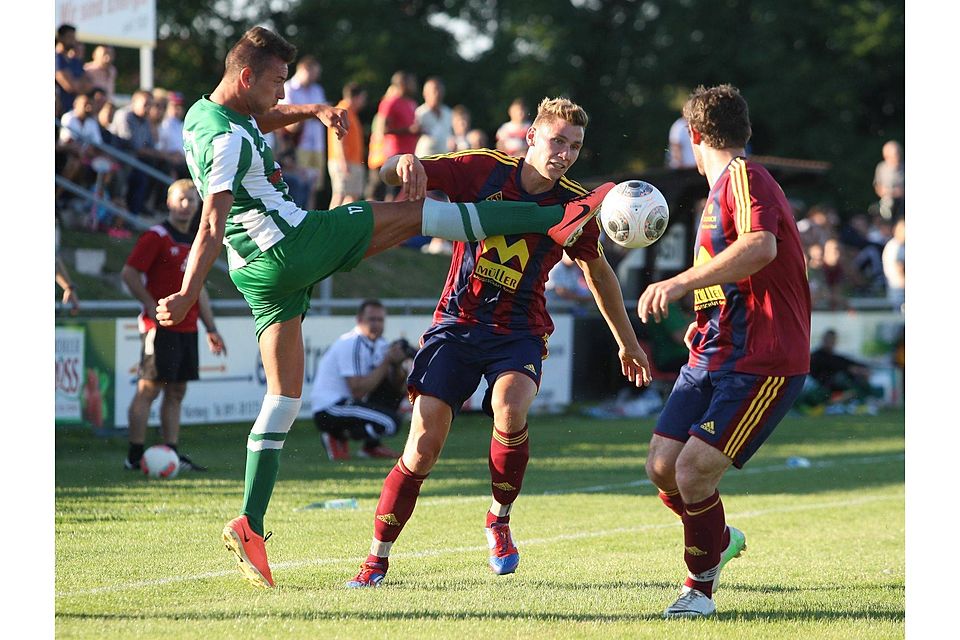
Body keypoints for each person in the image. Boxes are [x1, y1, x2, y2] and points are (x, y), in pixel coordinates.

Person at [154, 26, 614, 590]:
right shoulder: (229, 141)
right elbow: (209, 224)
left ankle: (250, 523)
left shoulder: (202, 119)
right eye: (277, 83)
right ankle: (555, 218)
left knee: (282, 399)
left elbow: (257, 123)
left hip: (255, 275)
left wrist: (309, 111)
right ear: (248, 76)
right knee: (419, 216)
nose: (281, 93)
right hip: (293, 244)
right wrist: (187, 290)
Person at [346, 96, 650, 588]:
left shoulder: (574, 205)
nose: (565, 154)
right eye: (557, 141)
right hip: (457, 324)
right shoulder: (482, 170)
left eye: (575, 147)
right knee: (423, 445)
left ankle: (499, 518)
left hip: (519, 332)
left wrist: (627, 341)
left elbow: (599, 273)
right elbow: (387, 172)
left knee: (509, 411)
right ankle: (376, 558)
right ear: (531, 135)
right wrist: (398, 162)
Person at [637, 84, 811, 618]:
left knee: (692, 472)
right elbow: (736, 274)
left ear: (692, 138)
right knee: (662, 467)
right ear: (745, 127)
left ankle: (699, 592)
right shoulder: (716, 195)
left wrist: (681, 282)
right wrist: (703, 319)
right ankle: (719, 536)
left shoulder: (745, 176)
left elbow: (760, 246)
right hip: (714, 352)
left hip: (764, 359)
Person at [122, 180, 226, 473]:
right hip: (161, 326)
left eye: (192, 200)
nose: (187, 205)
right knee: (149, 389)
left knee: (177, 391)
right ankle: (134, 455)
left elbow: (199, 289)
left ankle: (171, 453)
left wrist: (211, 328)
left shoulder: (197, 240)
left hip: (188, 328)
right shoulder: (156, 236)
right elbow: (129, 274)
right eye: (181, 199)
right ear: (169, 202)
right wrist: (153, 308)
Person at [310, 300, 409, 460]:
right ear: (359, 320)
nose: (376, 324)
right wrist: (386, 361)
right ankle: (337, 436)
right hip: (329, 408)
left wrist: (396, 364)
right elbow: (357, 390)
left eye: (380, 320)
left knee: (393, 393)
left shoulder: (380, 343)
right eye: (372, 319)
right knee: (392, 423)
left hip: (348, 404)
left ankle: (371, 447)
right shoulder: (351, 342)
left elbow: (399, 387)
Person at [280, 55, 328, 209]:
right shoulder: (288, 88)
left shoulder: (317, 89)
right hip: (298, 145)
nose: (316, 77)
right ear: (303, 70)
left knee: (313, 187)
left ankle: (310, 221)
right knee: (297, 185)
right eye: (314, 72)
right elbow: (286, 118)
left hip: (317, 145)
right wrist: (313, 112)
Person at [327, 81, 367, 208]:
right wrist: (343, 161)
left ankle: (343, 224)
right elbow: (338, 138)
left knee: (352, 196)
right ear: (357, 97)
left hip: (352, 161)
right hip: (344, 161)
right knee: (340, 194)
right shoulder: (342, 110)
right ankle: (330, 224)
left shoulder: (351, 113)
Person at [55, 24, 91, 116]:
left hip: (74, 112)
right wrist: (78, 85)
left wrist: (77, 85)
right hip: (59, 111)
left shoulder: (75, 61)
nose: (73, 40)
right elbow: (69, 86)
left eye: (74, 37)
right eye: (69, 37)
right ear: (60, 38)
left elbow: (88, 85)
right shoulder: (56, 59)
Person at [414, 77, 454, 158]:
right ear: (425, 93)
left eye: (440, 90)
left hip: (444, 158)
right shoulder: (419, 113)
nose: (438, 93)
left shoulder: (448, 112)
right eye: (435, 90)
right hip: (424, 158)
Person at [873, 140, 904, 220]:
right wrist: (887, 192)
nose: (897, 156)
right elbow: (877, 186)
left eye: (897, 154)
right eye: (894, 155)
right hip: (886, 205)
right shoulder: (881, 167)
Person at [882, 219, 905, 313]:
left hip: (899, 290)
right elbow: (899, 267)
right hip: (898, 291)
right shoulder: (895, 246)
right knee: (895, 323)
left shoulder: (901, 245)